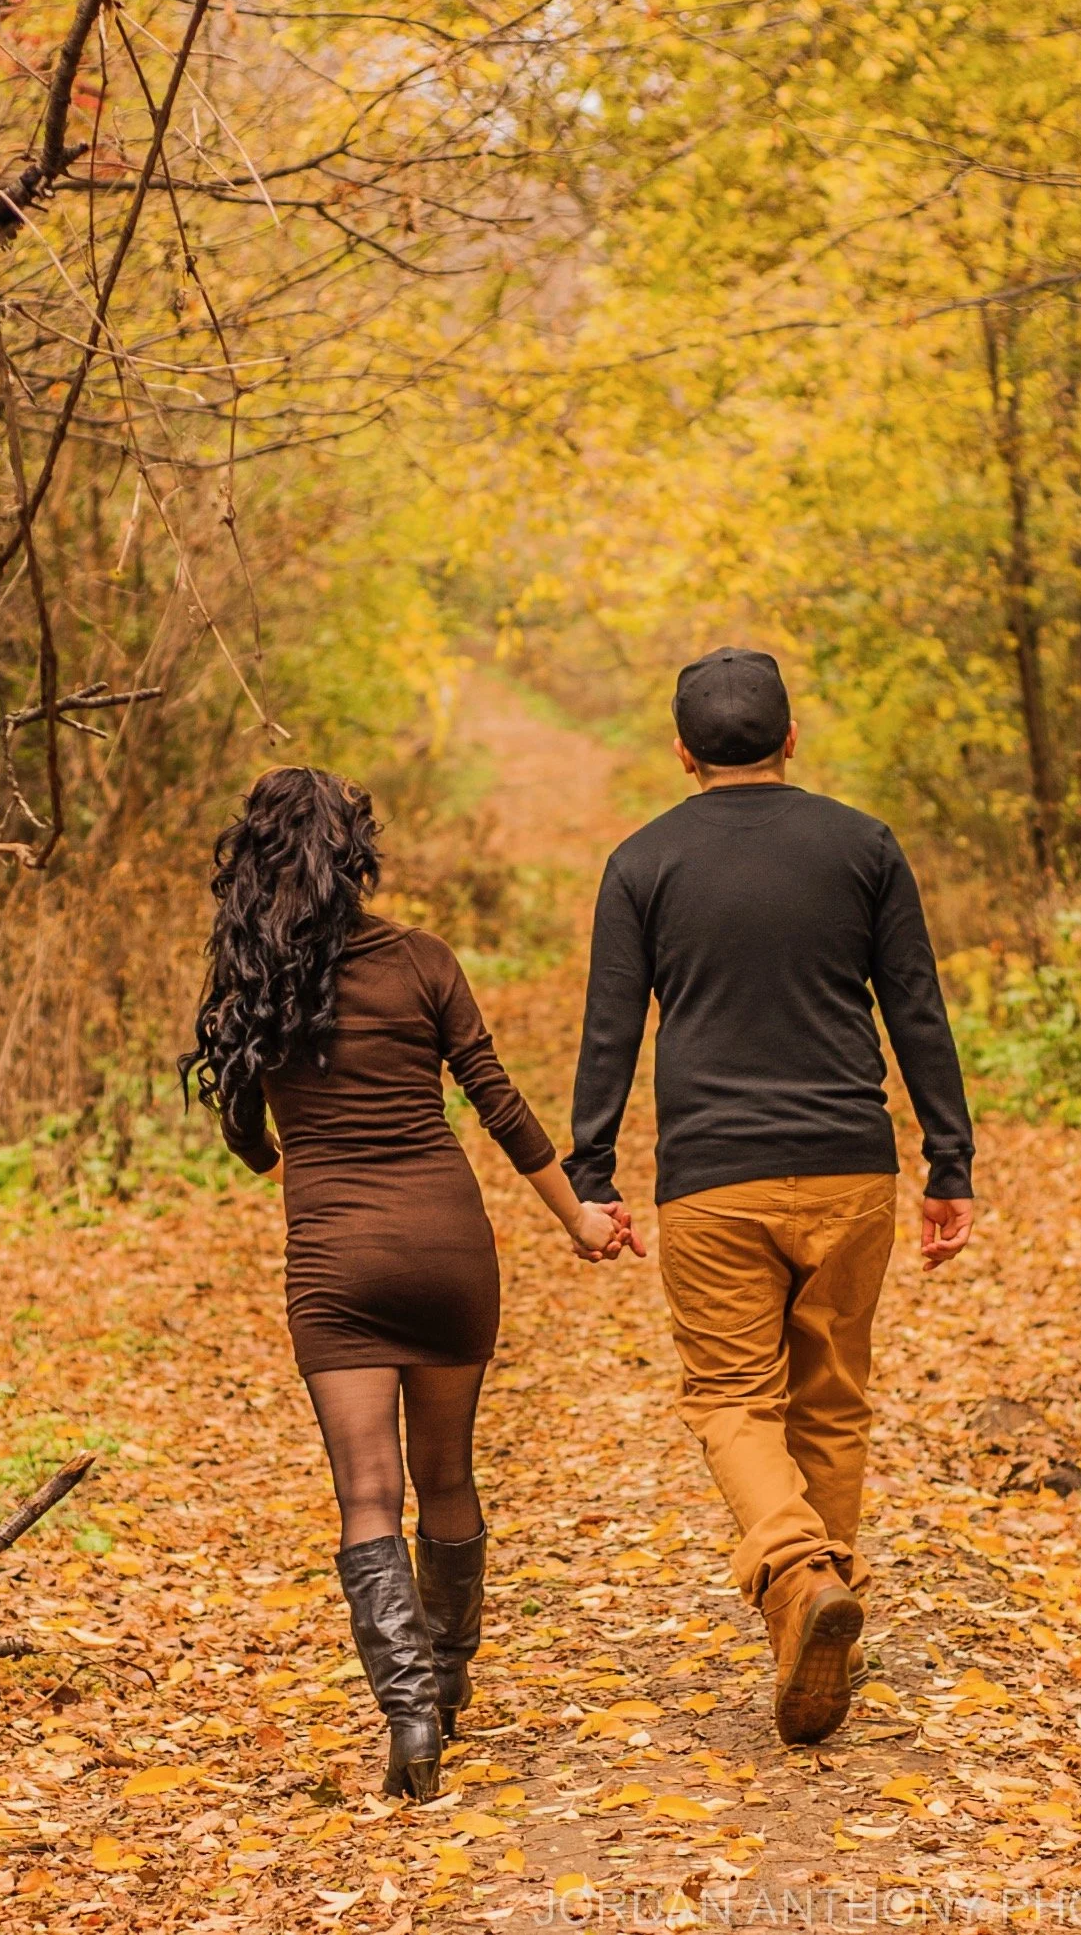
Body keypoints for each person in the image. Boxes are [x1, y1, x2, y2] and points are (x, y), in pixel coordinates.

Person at [181, 766, 640, 1801]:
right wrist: (577, 1217)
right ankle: (448, 1675)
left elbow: (241, 1125)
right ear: (356, 855)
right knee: (447, 1478)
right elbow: (496, 1100)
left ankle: (409, 1722)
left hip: (334, 1261)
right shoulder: (423, 960)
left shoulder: (252, 978)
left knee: (365, 1494)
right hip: (446, 1245)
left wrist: (284, 1160)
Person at [564, 648, 974, 1748]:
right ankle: (815, 1610)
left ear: (682, 752)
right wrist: (949, 1159)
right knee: (830, 1398)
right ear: (791, 738)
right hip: (849, 1167)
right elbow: (916, 1010)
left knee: (730, 1399)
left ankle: (795, 1583)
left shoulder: (640, 860)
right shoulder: (862, 846)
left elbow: (609, 1029)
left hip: (713, 1180)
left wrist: (589, 1174)